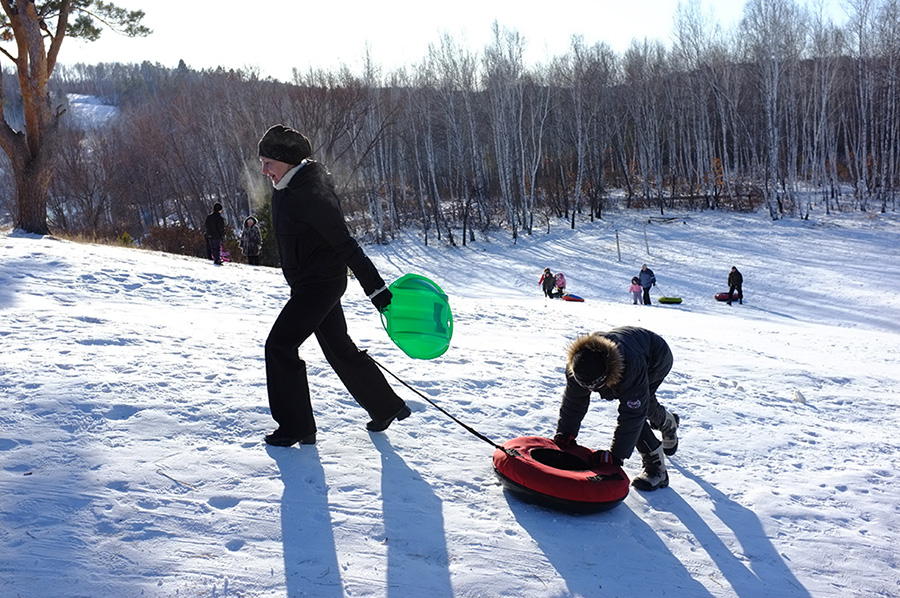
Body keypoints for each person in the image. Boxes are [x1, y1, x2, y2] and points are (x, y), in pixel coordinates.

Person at [258, 124, 410, 447]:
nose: (263, 170)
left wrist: (376, 289)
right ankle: (386, 406)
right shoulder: (286, 188)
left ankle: (296, 426)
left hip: (321, 285)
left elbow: (345, 243)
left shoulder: (311, 193)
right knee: (338, 348)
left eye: (268, 162)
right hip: (307, 284)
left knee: (279, 346)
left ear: (285, 160)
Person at [553, 326, 680, 491]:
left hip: (656, 357)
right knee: (644, 403)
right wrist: (566, 432)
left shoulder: (630, 368)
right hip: (632, 347)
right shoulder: (579, 364)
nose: (592, 391)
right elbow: (573, 401)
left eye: (597, 386)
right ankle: (667, 421)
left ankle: (657, 469)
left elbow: (632, 416)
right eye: (587, 387)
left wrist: (616, 456)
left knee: (640, 407)